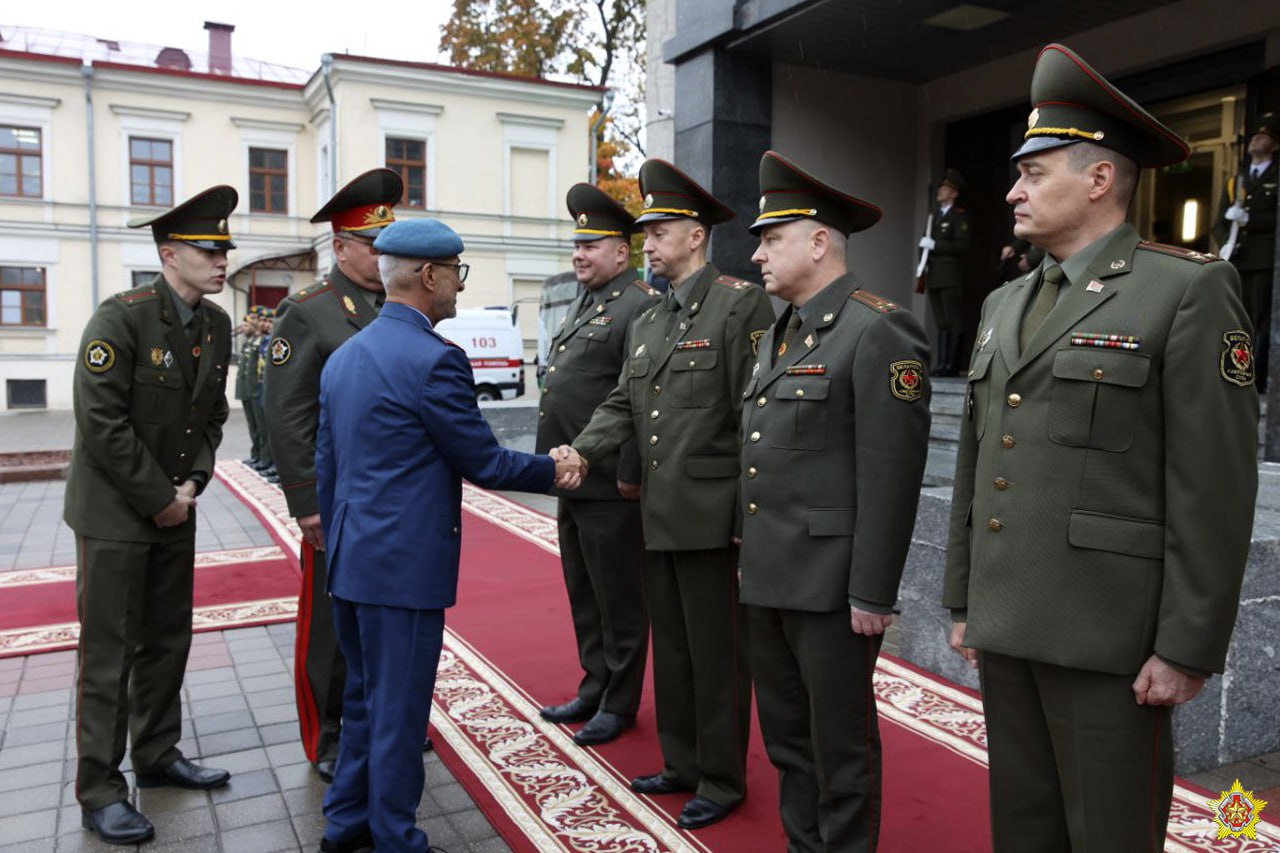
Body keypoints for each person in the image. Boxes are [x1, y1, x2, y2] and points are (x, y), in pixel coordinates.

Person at [944, 43, 1258, 852]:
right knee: (1024, 826)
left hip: (1109, 636)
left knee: (1110, 833)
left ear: (1098, 179)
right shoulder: (1004, 301)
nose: (1012, 189)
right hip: (1011, 619)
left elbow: (1212, 485)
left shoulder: (1184, 289)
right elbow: (980, 459)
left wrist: (1185, 645)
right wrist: (964, 600)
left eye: (1035, 171)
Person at [315, 217, 584, 853]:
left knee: (362, 699)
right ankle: (394, 837)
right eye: (456, 273)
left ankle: (345, 823)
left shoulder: (346, 356)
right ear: (430, 275)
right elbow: (484, 462)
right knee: (400, 710)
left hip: (353, 559)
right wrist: (558, 468)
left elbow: (327, 466)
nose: (459, 287)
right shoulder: (436, 361)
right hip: (403, 569)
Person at [567, 158, 776, 830]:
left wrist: (749, 512)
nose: (647, 244)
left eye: (659, 232)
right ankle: (682, 761)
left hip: (714, 517)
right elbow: (625, 401)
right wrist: (582, 450)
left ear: (695, 236)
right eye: (646, 234)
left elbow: (755, 413)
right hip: (659, 513)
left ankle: (721, 776)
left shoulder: (740, 303)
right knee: (678, 651)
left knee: (718, 657)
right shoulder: (654, 318)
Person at [740, 150, 932, 852]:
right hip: (770, 576)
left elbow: (891, 472)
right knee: (789, 742)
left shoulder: (877, 329)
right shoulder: (778, 334)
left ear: (818, 242)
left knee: (840, 751)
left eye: (772, 239)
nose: (758, 253)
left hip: (831, 586)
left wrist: (872, 593)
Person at [64, 186, 238, 845]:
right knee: (110, 652)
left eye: (225, 249)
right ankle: (100, 789)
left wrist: (191, 482)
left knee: (168, 637)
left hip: (177, 507)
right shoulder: (121, 318)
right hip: (115, 515)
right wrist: (159, 497)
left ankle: (158, 754)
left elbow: (211, 417)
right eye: (208, 249)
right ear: (170, 254)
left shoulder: (215, 325)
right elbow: (101, 422)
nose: (221, 260)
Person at [264, 168, 404, 783]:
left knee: (386, 615)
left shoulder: (397, 307)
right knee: (328, 623)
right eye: (372, 245)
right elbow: (287, 414)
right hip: (338, 500)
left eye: (387, 243)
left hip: (393, 497)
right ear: (341, 247)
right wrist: (307, 502)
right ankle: (327, 735)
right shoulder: (309, 313)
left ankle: (379, 720)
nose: (383, 255)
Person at [535, 183, 659, 745]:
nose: (579, 255)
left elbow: (642, 399)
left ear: (622, 251)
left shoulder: (640, 306)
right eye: (575, 246)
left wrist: (630, 474)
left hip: (610, 483)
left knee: (620, 598)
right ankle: (595, 682)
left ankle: (620, 700)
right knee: (583, 589)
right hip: (571, 479)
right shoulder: (589, 301)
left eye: (592, 245)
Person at [1218, 112, 1278, 389]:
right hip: (1237, 258)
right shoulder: (1237, 180)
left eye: (1263, 136)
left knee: (1260, 320)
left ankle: (1256, 376)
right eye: (1255, 135)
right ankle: (1235, 373)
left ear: (1274, 145)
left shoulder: (1275, 176)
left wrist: (1250, 221)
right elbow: (1220, 221)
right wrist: (1224, 244)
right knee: (1235, 318)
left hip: (1263, 259)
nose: (1257, 139)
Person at [918, 169, 970, 376]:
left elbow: (963, 245)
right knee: (941, 321)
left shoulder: (959, 217)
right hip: (933, 275)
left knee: (953, 320)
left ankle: (953, 365)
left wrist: (935, 245)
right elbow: (924, 244)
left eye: (945, 188)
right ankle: (941, 364)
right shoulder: (934, 217)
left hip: (949, 275)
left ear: (954, 193)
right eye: (940, 188)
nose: (940, 191)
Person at [235, 309, 267, 468]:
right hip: (247, 390)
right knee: (253, 425)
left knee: (262, 428)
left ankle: (263, 457)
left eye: (247, 324)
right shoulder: (249, 342)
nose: (244, 327)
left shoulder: (261, 342)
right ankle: (256, 454)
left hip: (256, 390)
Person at [254, 308, 278, 483]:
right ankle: (268, 461)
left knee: (277, 434)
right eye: (265, 321)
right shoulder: (265, 342)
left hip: (277, 395)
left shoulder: (277, 341)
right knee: (265, 431)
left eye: (270, 321)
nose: (266, 324)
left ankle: (277, 467)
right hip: (265, 390)